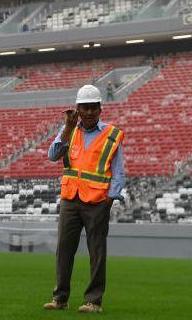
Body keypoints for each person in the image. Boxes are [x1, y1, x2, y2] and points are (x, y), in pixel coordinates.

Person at [43, 84, 125, 314]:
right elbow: (52, 156)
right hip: (70, 199)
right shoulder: (69, 130)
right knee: (64, 250)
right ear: (77, 109)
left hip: (98, 202)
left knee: (97, 252)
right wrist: (67, 129)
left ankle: (94, 301)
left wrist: (111, 198)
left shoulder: (111, 134)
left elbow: (118, 170)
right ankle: (60, 298)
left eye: (93, 107)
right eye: (84, 107)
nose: (89, 112)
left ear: (100, 109)